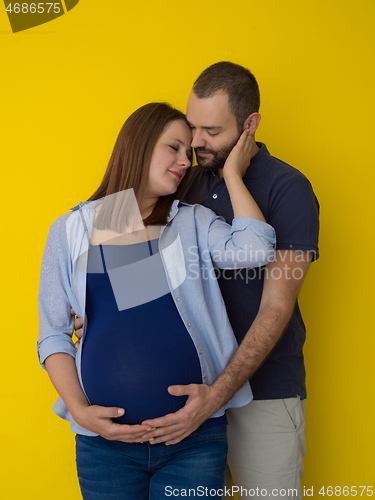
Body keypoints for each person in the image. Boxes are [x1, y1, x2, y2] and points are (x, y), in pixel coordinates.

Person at [73, 63, 319, 499]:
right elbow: (141, 277)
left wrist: (217, 394)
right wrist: (97, 311)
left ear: (250, 126)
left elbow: (275, 307)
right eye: (191, 128)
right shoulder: (179, 179)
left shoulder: (288, 187)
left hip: (261, 393)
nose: (196, 143)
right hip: (184, 407)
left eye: (211, 131)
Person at [38, 102, 276, 499]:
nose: (186, 161)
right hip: (104, 448)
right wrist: (79, 410)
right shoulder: (73, 230)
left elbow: (255, 249)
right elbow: (54, 334)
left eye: (189, 152)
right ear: (140, 145)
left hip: (194, 440)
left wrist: (231, 173)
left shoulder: (191, 222)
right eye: (175, 147)